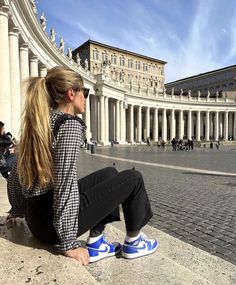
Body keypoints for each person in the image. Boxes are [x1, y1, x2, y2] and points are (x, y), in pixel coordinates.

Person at [6, 66, 158, 266]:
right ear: (71, 94)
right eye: (84, 92)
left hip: (37, 220)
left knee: (110, 173)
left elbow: (17, 171)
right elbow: (65, 183)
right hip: (51, 227)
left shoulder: (42, 121)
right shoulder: (69, 124)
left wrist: (17, 209)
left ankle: (96, 240)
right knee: (134, 179)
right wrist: (68, 243)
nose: (86, 97)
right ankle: (135, 241)